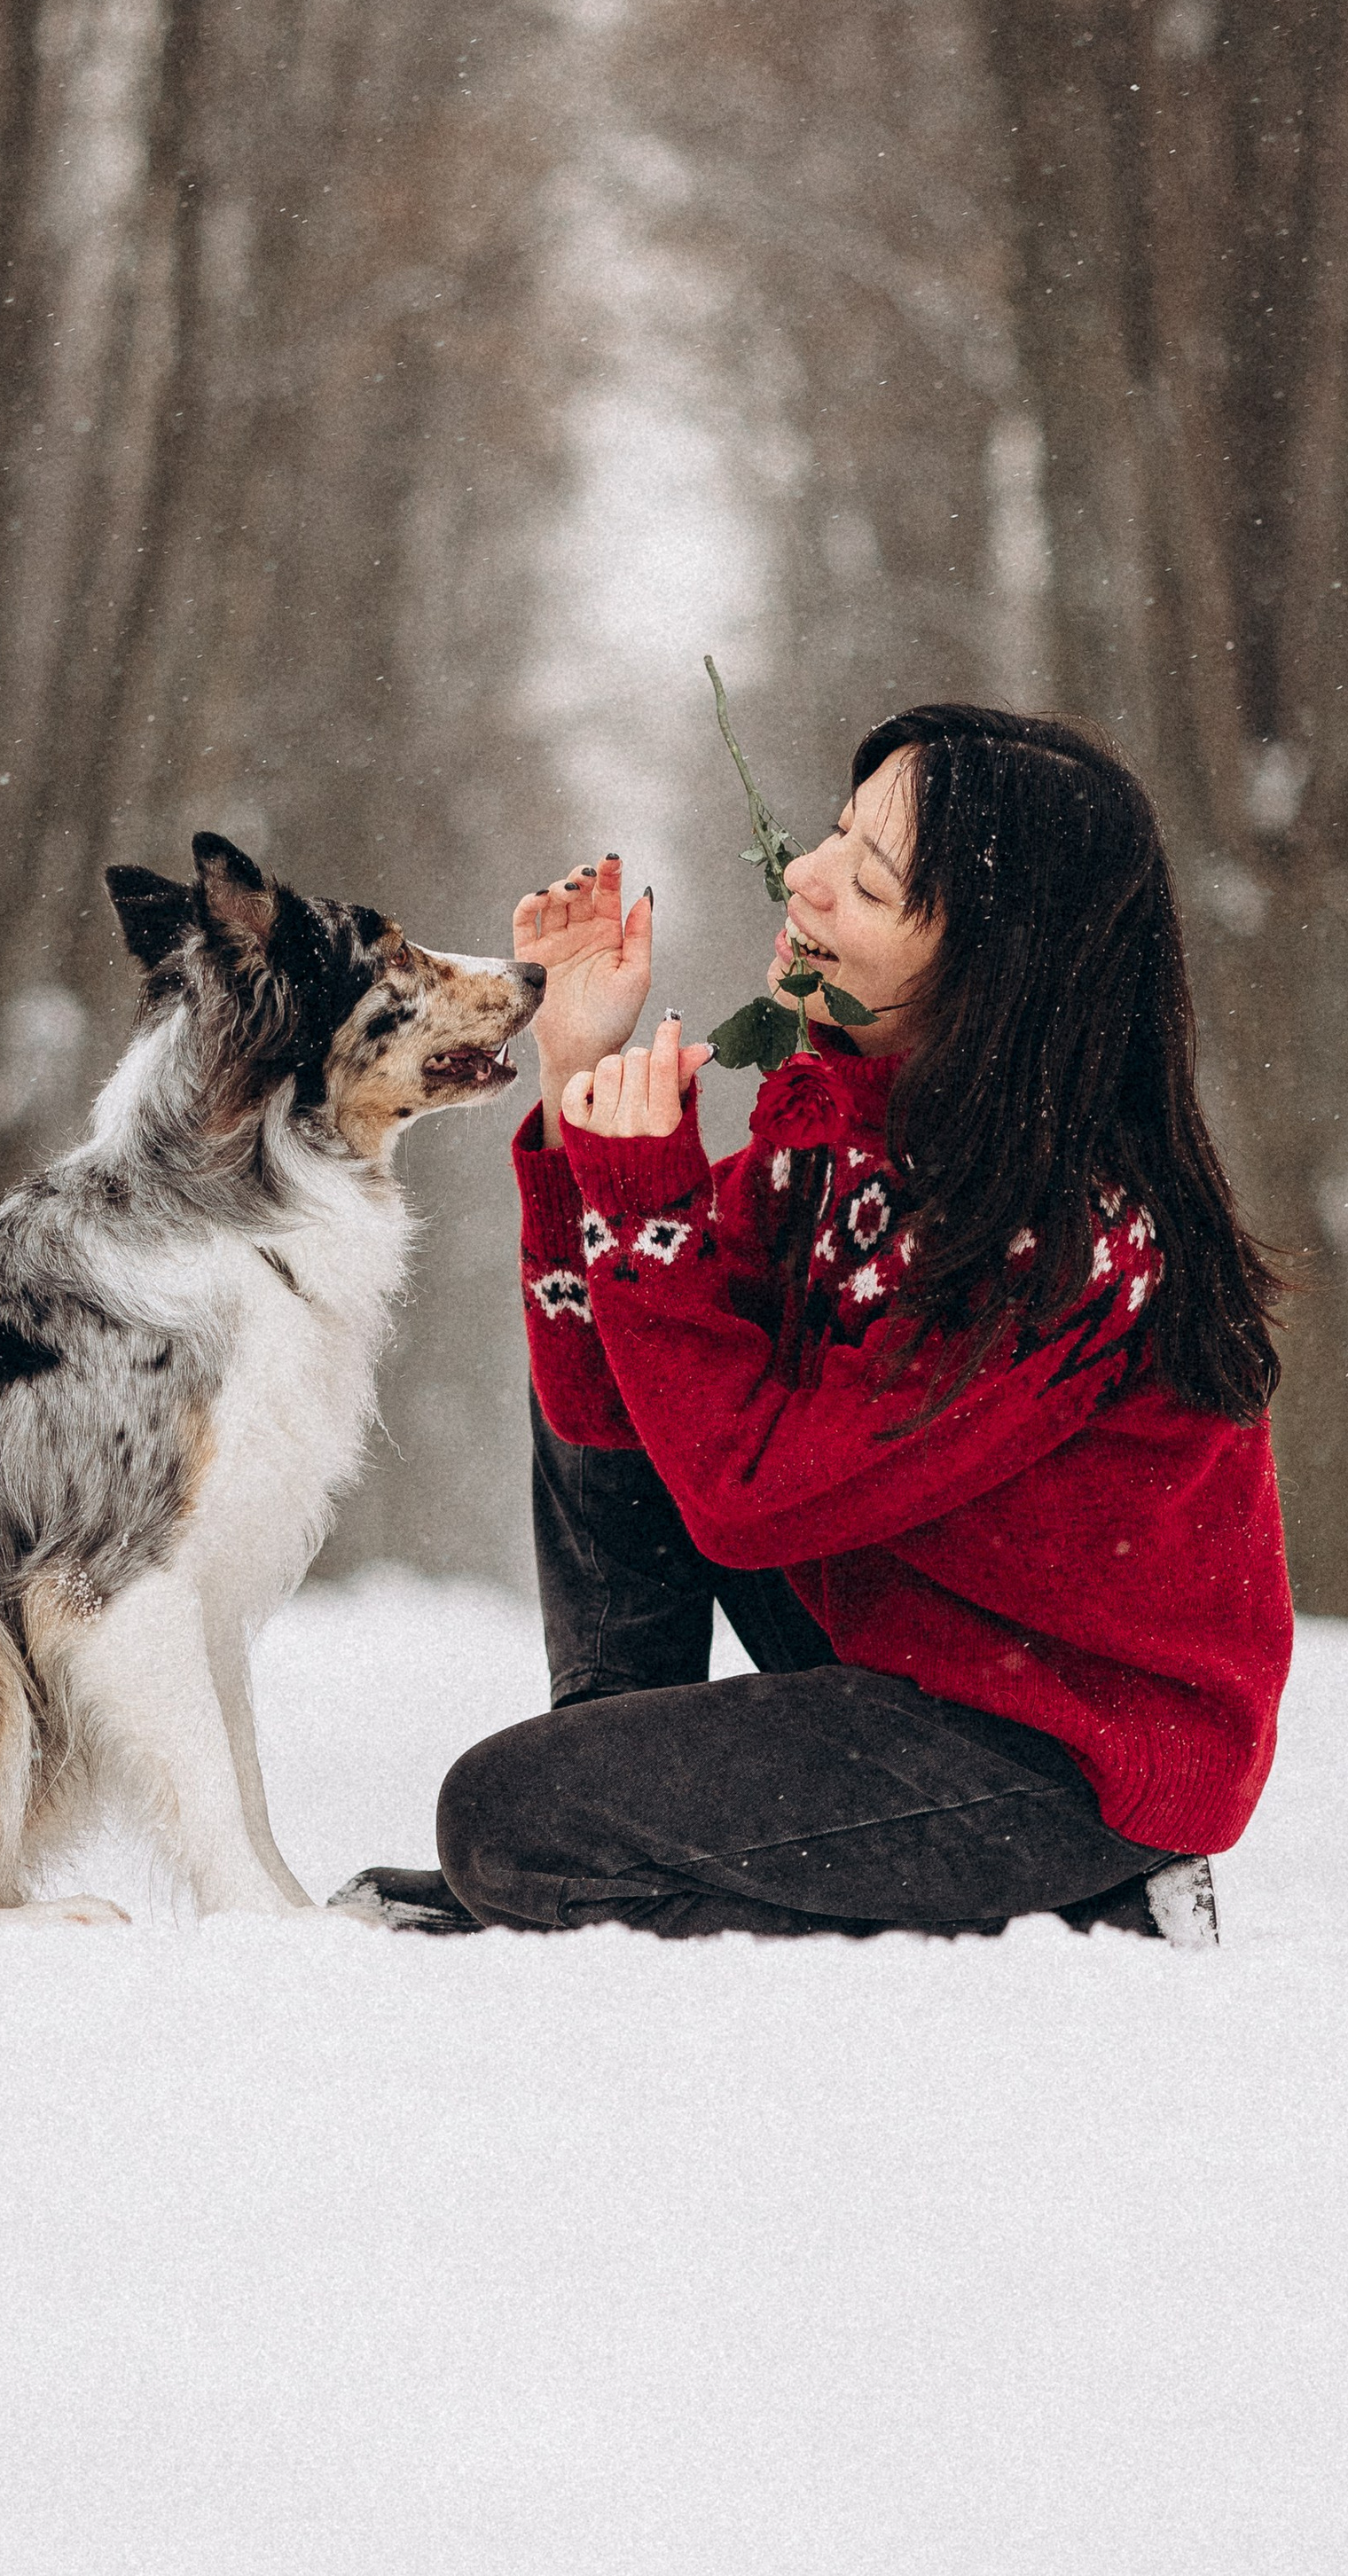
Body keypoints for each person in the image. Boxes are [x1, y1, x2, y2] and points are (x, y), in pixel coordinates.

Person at [336, 705, 1294, 1944]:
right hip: (910, 1649)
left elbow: (748, 1494)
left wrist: (644, 1208)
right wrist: (580, 1091)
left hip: (1063, 1751)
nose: (805, 873)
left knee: (501, 1817)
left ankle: (1101, 1895)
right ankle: (598, 1797)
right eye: (837, 832)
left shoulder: (1065, 1238)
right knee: (635, 1342)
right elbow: (613, 1410)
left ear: (989, 966)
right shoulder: (853, 1126)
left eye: (872, 878)